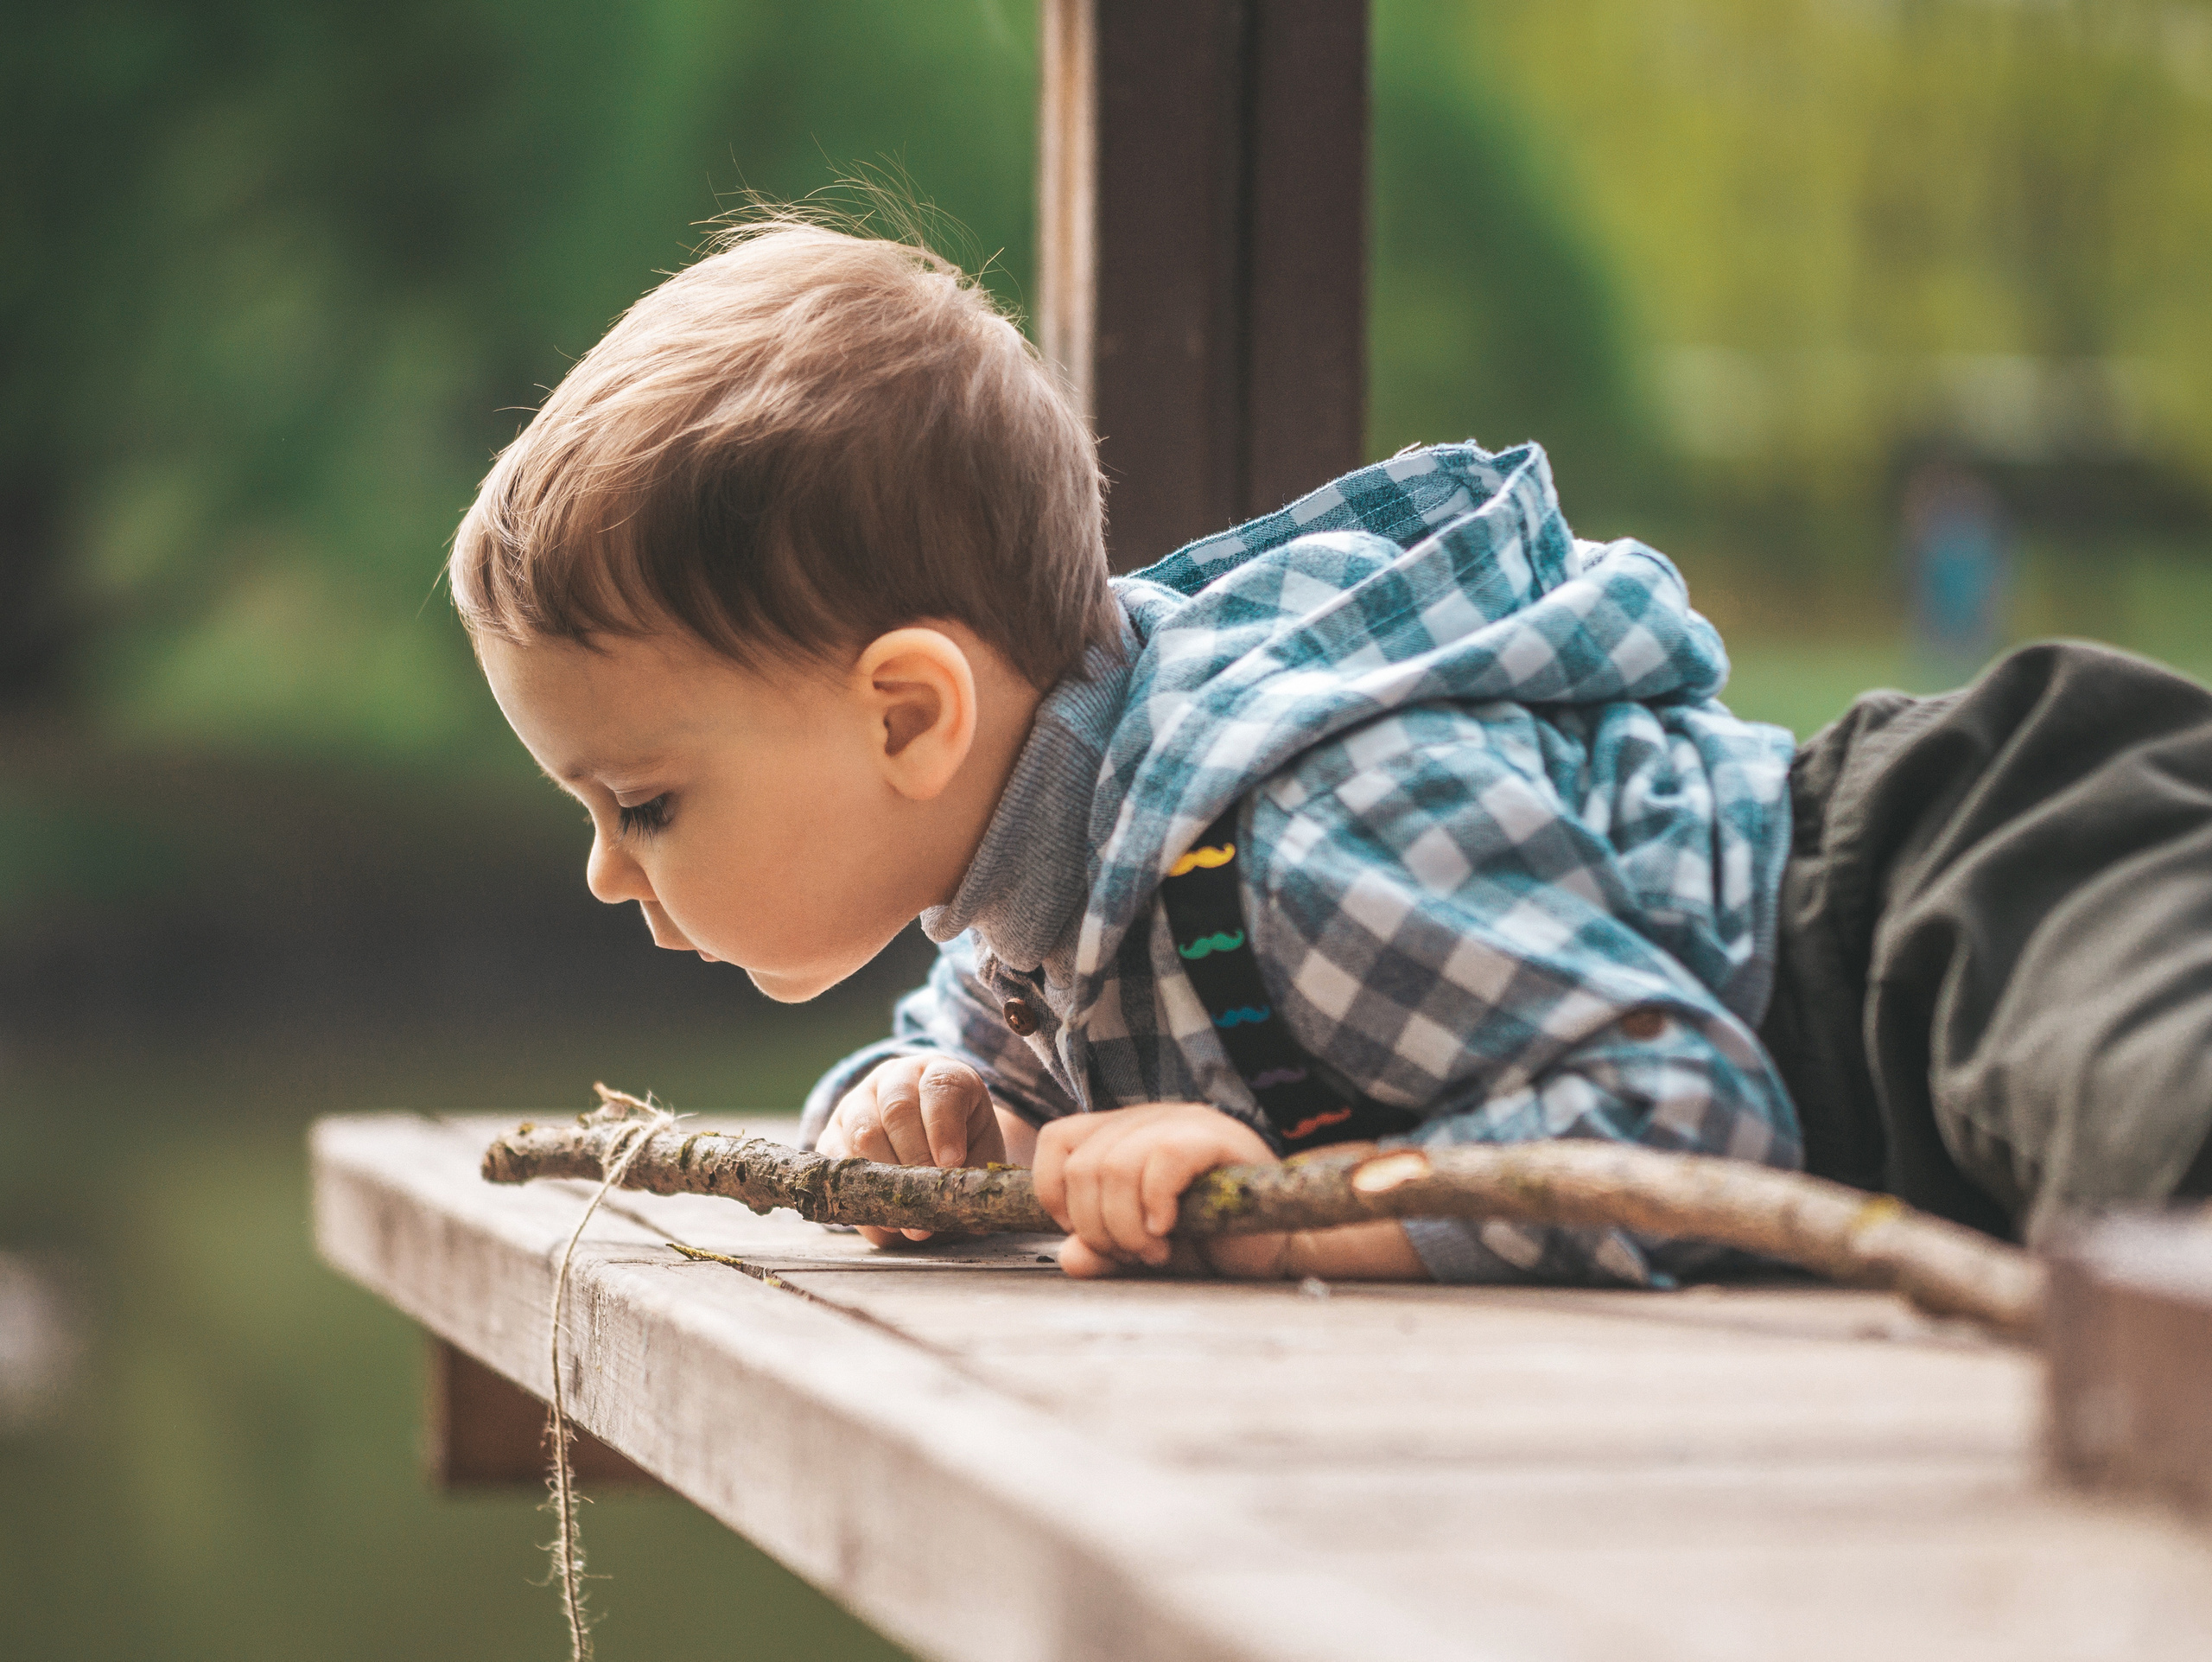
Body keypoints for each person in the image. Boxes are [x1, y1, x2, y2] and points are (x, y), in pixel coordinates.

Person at [448, 217, 2212, 1285]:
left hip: (1966, 879)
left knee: (2167, 1129)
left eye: (643, 800)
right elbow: (941, 1074)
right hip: (1893, 1065)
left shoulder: (1283, 839)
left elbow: (1689, 1106)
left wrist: (1282, 1211)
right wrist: (925, 1119)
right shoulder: (1031, 939)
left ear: (909, 714)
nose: (608, 869)